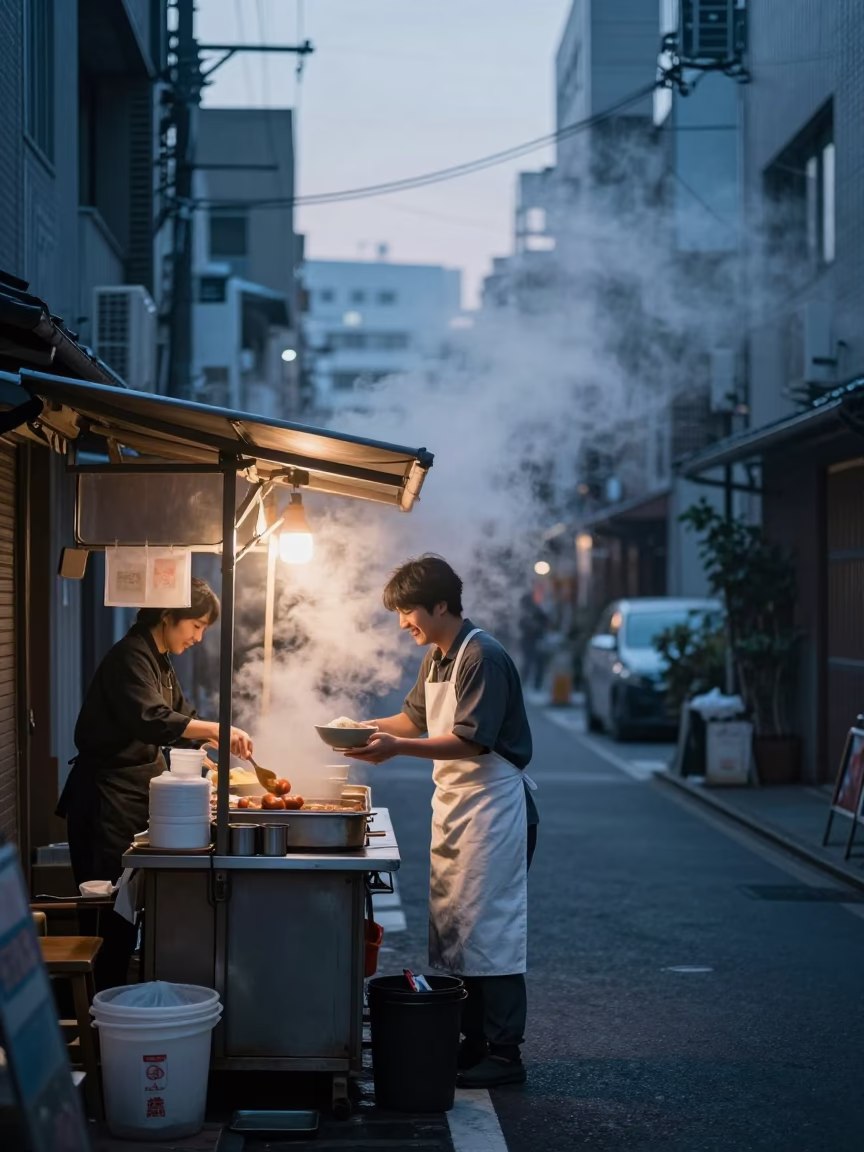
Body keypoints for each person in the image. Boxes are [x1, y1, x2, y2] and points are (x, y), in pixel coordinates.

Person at [347, 554, 539, 1087]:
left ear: (439, 605)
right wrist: (358, 729)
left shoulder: (483, 656)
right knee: (460, 929)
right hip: (458, 808)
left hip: (494, 808)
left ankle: (504, 1055)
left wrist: (396, 748)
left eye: (407, 612)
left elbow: (471, 738)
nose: (402, 623)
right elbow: (413, 718)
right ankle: (473, 1042)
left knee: (491, 930)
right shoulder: (438, 655)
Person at [58, 577, 253, 990]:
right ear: (168, 617)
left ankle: (122, 996)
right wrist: (217, 728)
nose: (199, 637)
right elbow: (152, 720)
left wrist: (211, 743)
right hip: (104, 799)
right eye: (196, 625)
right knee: (109, 910)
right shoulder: (129, 657)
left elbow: (181, 720)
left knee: (129, 908)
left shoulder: (158, 659)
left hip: (132, 797)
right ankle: (100, 1008)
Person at [518, 592, 549, 691]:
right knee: (528, 663)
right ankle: (525, 684)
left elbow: (545, 622)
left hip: (536, 641)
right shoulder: (524, 614)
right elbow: (521, 625)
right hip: (528, 641)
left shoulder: (536, 611)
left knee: (537, 664)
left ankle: (536, 685)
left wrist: (537, 627)